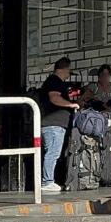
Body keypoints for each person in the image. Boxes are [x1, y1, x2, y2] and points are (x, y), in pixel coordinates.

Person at [39, 57, 80, 193]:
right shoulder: (54, 81)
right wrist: (70, 104)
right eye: (69, 70)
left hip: (55, 124)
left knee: (53, 152)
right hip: (53, 124)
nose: (69, 73)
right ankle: (47, 181)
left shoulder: (53, 81)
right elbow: (54, 97)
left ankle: (49, 180)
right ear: (64, 69)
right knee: (53, 153)